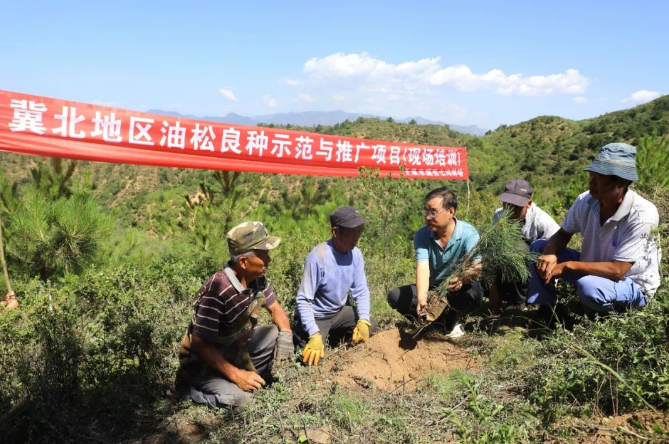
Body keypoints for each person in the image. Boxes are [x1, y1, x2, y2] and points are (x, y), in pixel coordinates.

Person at [529, 143, 660, 320]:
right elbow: (563, 234)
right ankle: (548, 310)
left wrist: (568, 266)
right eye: (592, 174)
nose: (591, 180)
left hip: (631, 284)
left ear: (622, 182)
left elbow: (618, 270)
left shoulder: (642, 214)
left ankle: (605, 321)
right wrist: (551, 252)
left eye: (599, 177)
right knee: (539, 248)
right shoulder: (586, 201)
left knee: (589, 287)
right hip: (592, 269)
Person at [176, 221, 293, 408]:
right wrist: (238, 376)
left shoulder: (257, 279)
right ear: (244, 262)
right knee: (243, 401)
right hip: (205, 368)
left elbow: (275, 308)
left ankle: (247, 378)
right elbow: (200, 345)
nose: (269, 260)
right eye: (264, 255)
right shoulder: (217, 290)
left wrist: (286, 334)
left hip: (234, 352)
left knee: (274, 333)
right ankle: (190, 393)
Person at [387, 187, 483, 338]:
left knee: (472, 293)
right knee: (396, 296)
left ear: (451, 212)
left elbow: (477, 267)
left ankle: (454, 320)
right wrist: (422, 298)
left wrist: (462, 279)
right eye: (426, 212)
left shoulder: (468, 233)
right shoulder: (422, 235)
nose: (428, 217)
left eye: (433, 212)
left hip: (459, 287)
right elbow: (423, 268)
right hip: (434, 290)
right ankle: (434, 319)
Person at [293, 206, 377, 366]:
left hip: (338, 313)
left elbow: (361, 291)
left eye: (359, 230)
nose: (357, 236)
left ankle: (335, 337)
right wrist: (314, 333)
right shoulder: (318, 257)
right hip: (317, 316)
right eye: (351, 231)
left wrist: (364, 320)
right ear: (335, 232)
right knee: (312, 360)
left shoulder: (356, 254)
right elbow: (303, 300)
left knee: (372, 326)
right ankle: (312, 336)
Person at [489, 179, 560, 311]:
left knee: (516, 248)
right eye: (507, 205)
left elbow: (556, 250)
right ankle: (506, 294)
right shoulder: (498, 216)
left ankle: (519, 302)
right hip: (511, 269)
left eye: (516, 206)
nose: (510, 210)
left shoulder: (542, 221)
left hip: (536, 269)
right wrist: (494, 288)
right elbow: (492, 251)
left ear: (528, 204)